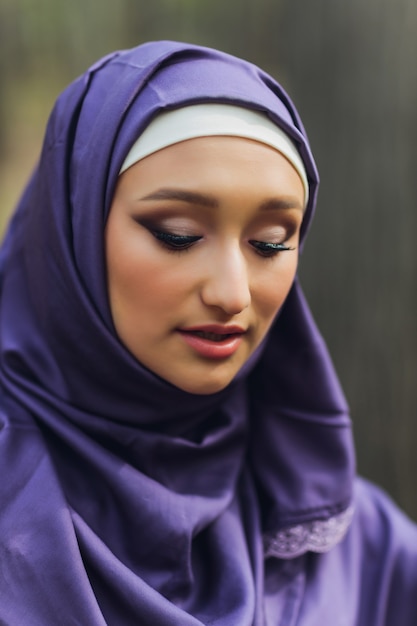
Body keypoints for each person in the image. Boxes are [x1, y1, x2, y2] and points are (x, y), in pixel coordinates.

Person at [0, 40, 416, 626]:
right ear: (72, 234)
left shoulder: (355, 548)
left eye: (272, 242)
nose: (232, 292)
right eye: (177, 233)